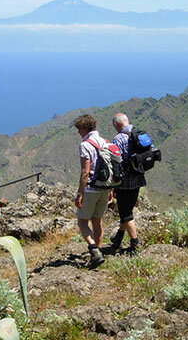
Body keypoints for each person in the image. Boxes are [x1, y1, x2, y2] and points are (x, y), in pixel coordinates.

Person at [73, 114, 112, 267]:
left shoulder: (85, 145)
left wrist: (80, 193)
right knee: (97, 221)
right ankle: (100, 251)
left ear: (84, 128)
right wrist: (111, 190)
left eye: (79, 129)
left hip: (90, 189)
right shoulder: (104, 142)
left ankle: (94, 249)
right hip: (105, 188)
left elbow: (85, 172)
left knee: (82, 222)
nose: (78, 132)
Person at [110, 113, 145, 252]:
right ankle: (118, 238)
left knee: (125, 213)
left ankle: (135, 242)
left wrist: (113, 182)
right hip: (138, 179)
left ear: (116, 125)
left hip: (124, 182)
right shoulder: (139, 134)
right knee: (127, 210)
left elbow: (115, 162)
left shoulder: (118, 138)